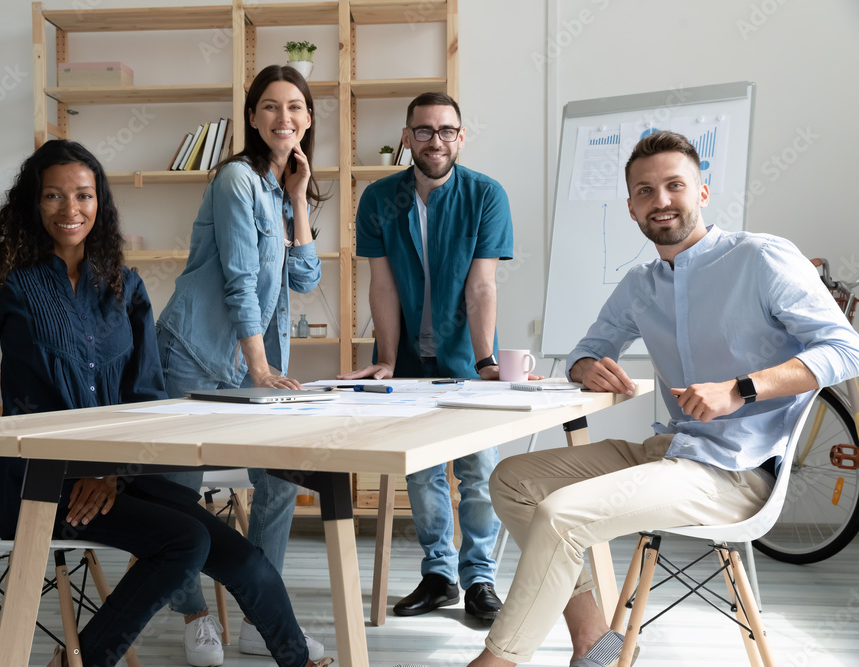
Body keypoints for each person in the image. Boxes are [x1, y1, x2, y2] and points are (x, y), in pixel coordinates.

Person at [0, 139, 332, 667]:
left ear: (99, 203)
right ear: (31, 202)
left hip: (117, 476)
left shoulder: (122, 283)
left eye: (84, 196)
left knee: (240, 555)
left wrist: (110, 469)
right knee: (184, 542)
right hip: (35, 481)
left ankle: (297, 660)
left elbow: (148, 397)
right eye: (53, 197)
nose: (71, 210)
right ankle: (81, 660)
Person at [468, 130, 859, 667]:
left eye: (675, 185)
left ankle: (496, 663)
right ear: (631, 207)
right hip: (673, 450)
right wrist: (588, 367)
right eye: (645, 191)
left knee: (562, 515)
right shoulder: (641, 284)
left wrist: (740, 389)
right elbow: (587, 350)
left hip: (738, 471)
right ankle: (593, 643)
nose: (662, 201)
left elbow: (846, 349)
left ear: (701, 192)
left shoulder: (761, 257)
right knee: (512, 479)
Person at [154, 64, 326, 665]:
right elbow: (239, 281)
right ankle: (194, 613)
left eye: (297, 107)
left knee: (278, 481)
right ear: (252, 117)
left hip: (246, 363)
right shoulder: (235, 180)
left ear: (308, 117)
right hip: (193, 354)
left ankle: (258, 614)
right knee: (175, 495)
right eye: (272, 107)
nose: (286, 118)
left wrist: (301, 199)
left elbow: (305, 277)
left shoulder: (281, 189)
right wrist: (258, 366)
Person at [339, 92, 522, 622]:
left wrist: (486, 361)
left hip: (467, 361)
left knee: (479, 473)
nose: (435, 140)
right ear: (406, 137)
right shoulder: (378, 198)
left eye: (446, 131)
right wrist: (389, 358)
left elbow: (482, 285)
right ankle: (439, 574)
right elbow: (382, 283)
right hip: (407, 367)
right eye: (424, 131)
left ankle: (480, 579)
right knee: (421, 475)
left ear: (460, 137)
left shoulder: (486, 195)